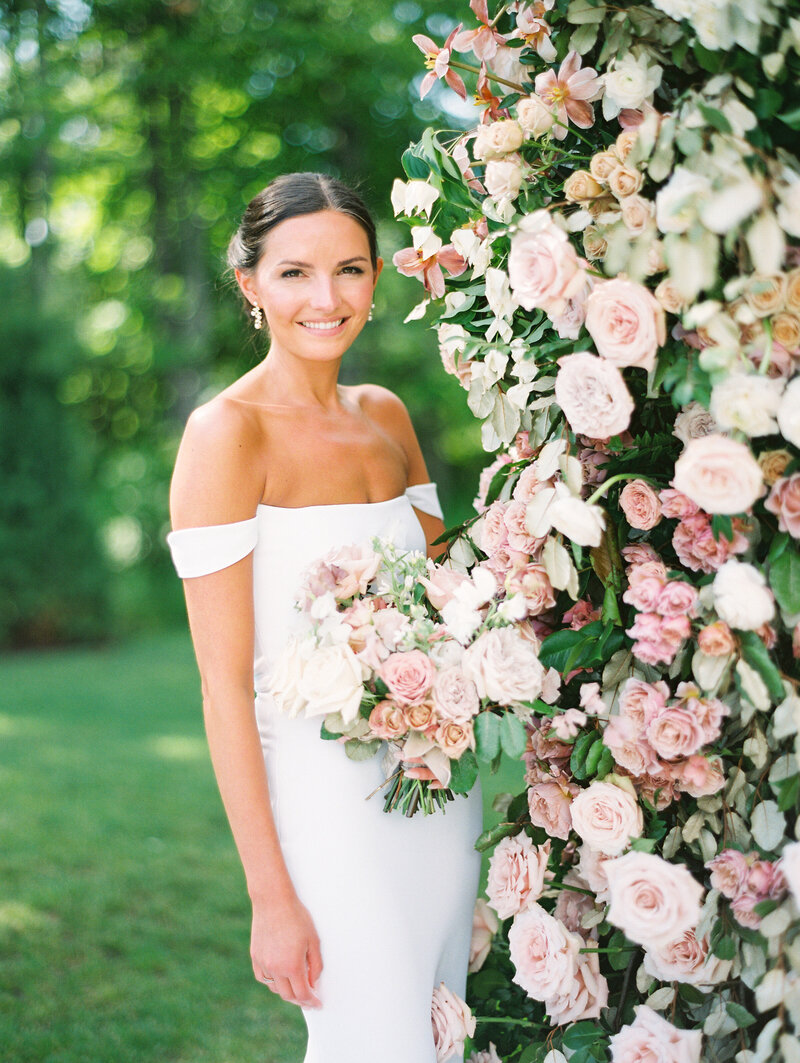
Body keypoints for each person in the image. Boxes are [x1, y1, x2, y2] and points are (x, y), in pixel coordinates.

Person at [166, 173, 483, 1063]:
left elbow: (450, 598)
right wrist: (271, 897)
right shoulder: (227, 434)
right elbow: (223, 687)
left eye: (349, 270)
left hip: (438, 790)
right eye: (296, 273)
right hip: (326, 808)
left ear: (378, 277)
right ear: (250, 284)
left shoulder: (386, 415)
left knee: (436, 1031)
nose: (326, 297)